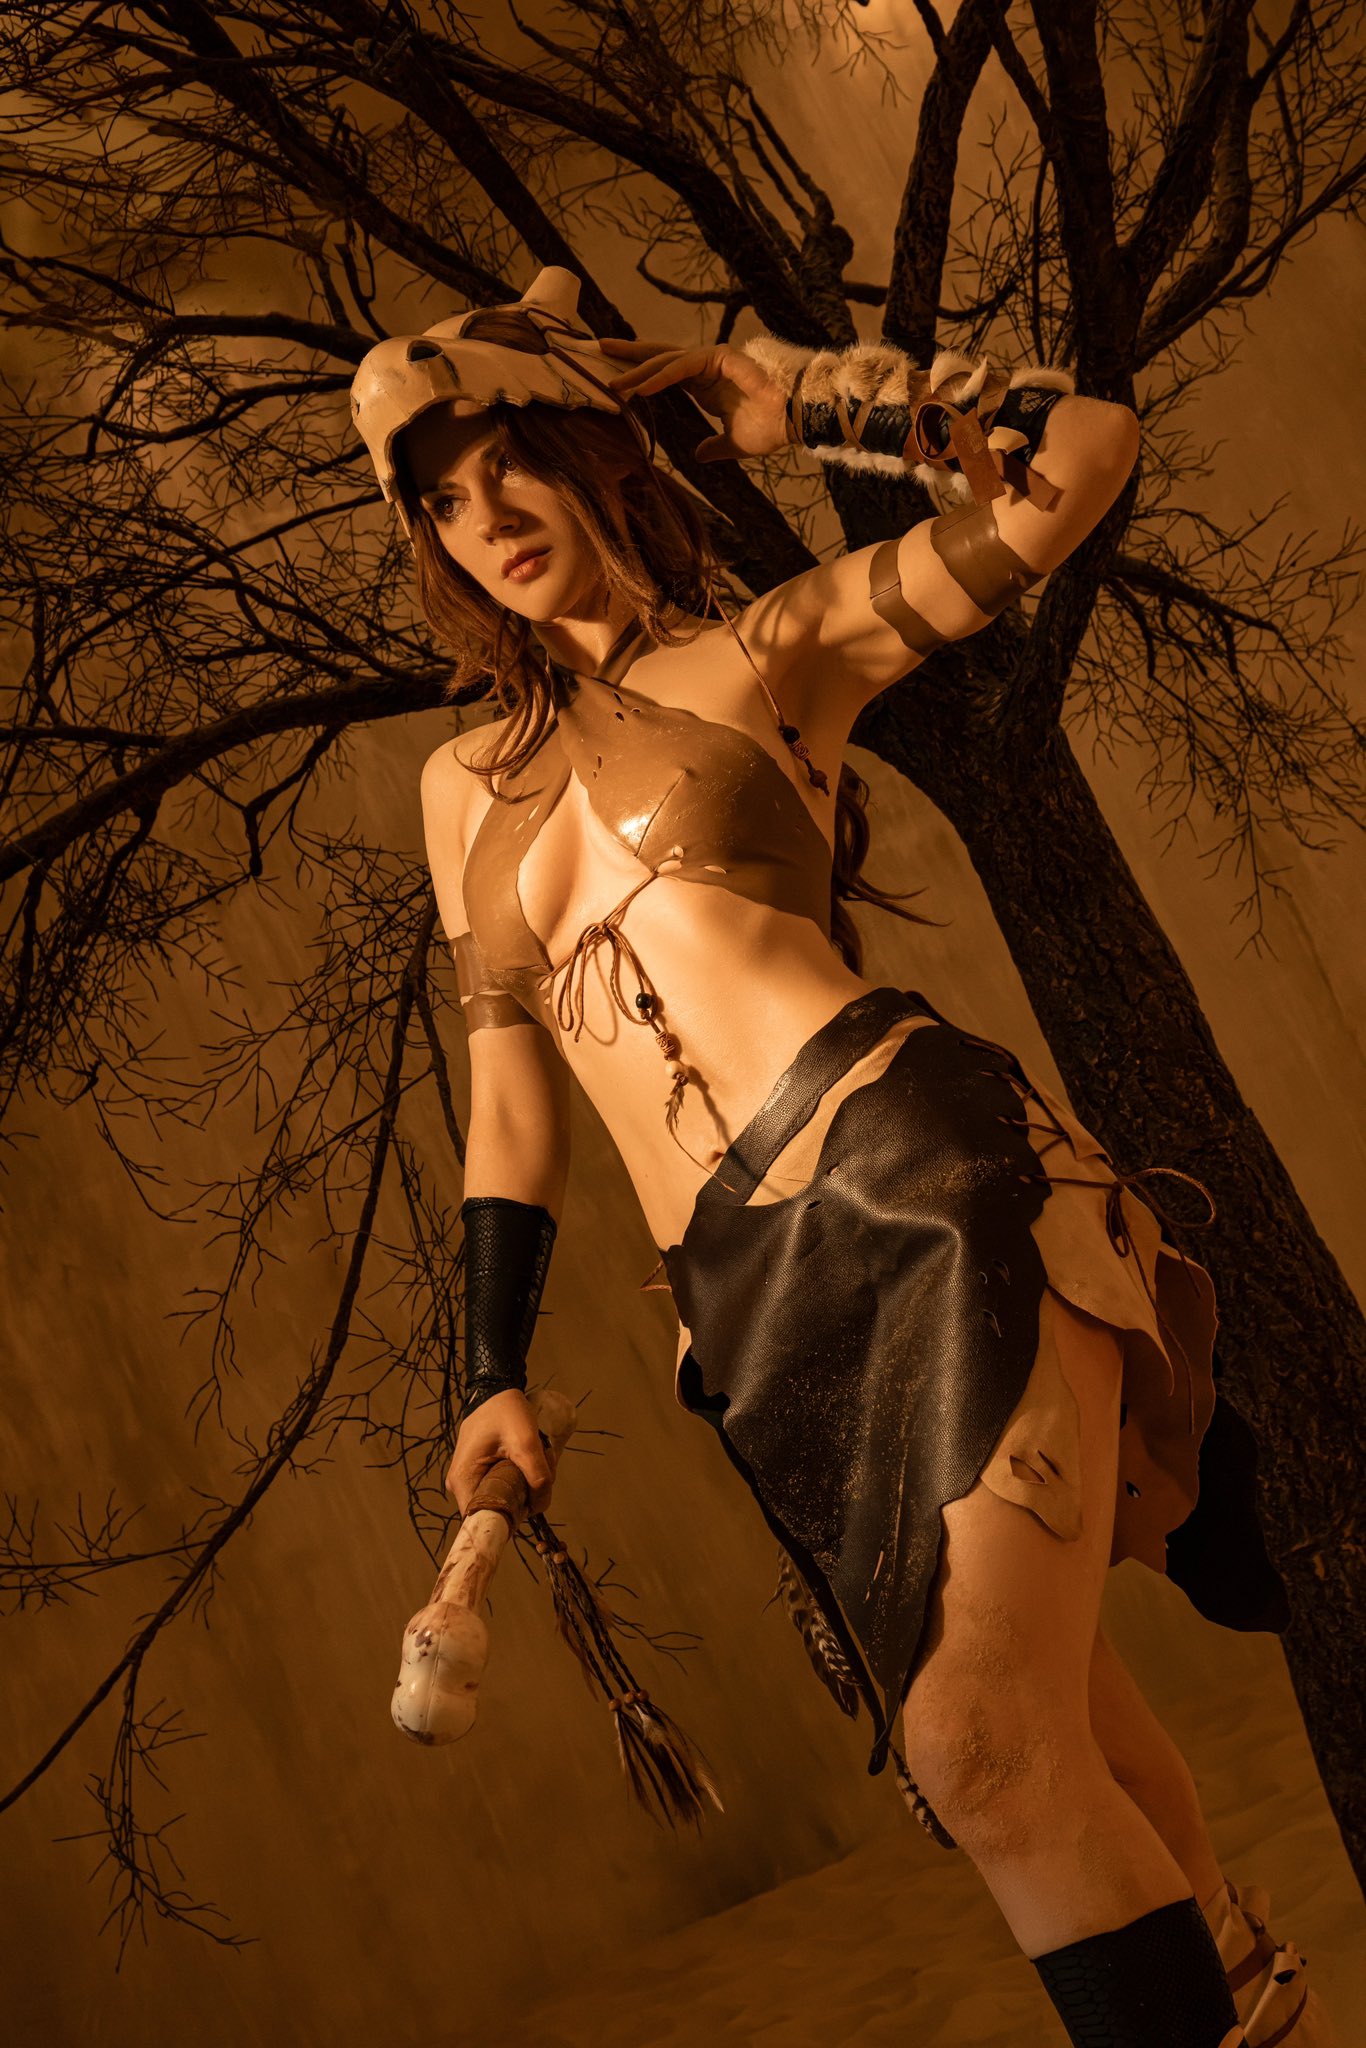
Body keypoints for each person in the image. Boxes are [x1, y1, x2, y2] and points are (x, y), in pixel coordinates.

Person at [349, 268, 1328, 2048]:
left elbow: (1084, 451)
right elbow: (509, 1103)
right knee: (1047, 1735)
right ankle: (1241, 1997)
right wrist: (486, 1368)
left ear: (590, 452)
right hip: (740, 1314)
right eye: (442, 499)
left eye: (511, 463)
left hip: (917, 1187)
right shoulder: (456, 789)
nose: (485, 516)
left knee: (981, 1744)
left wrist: (795, 392)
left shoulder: (767, 653)